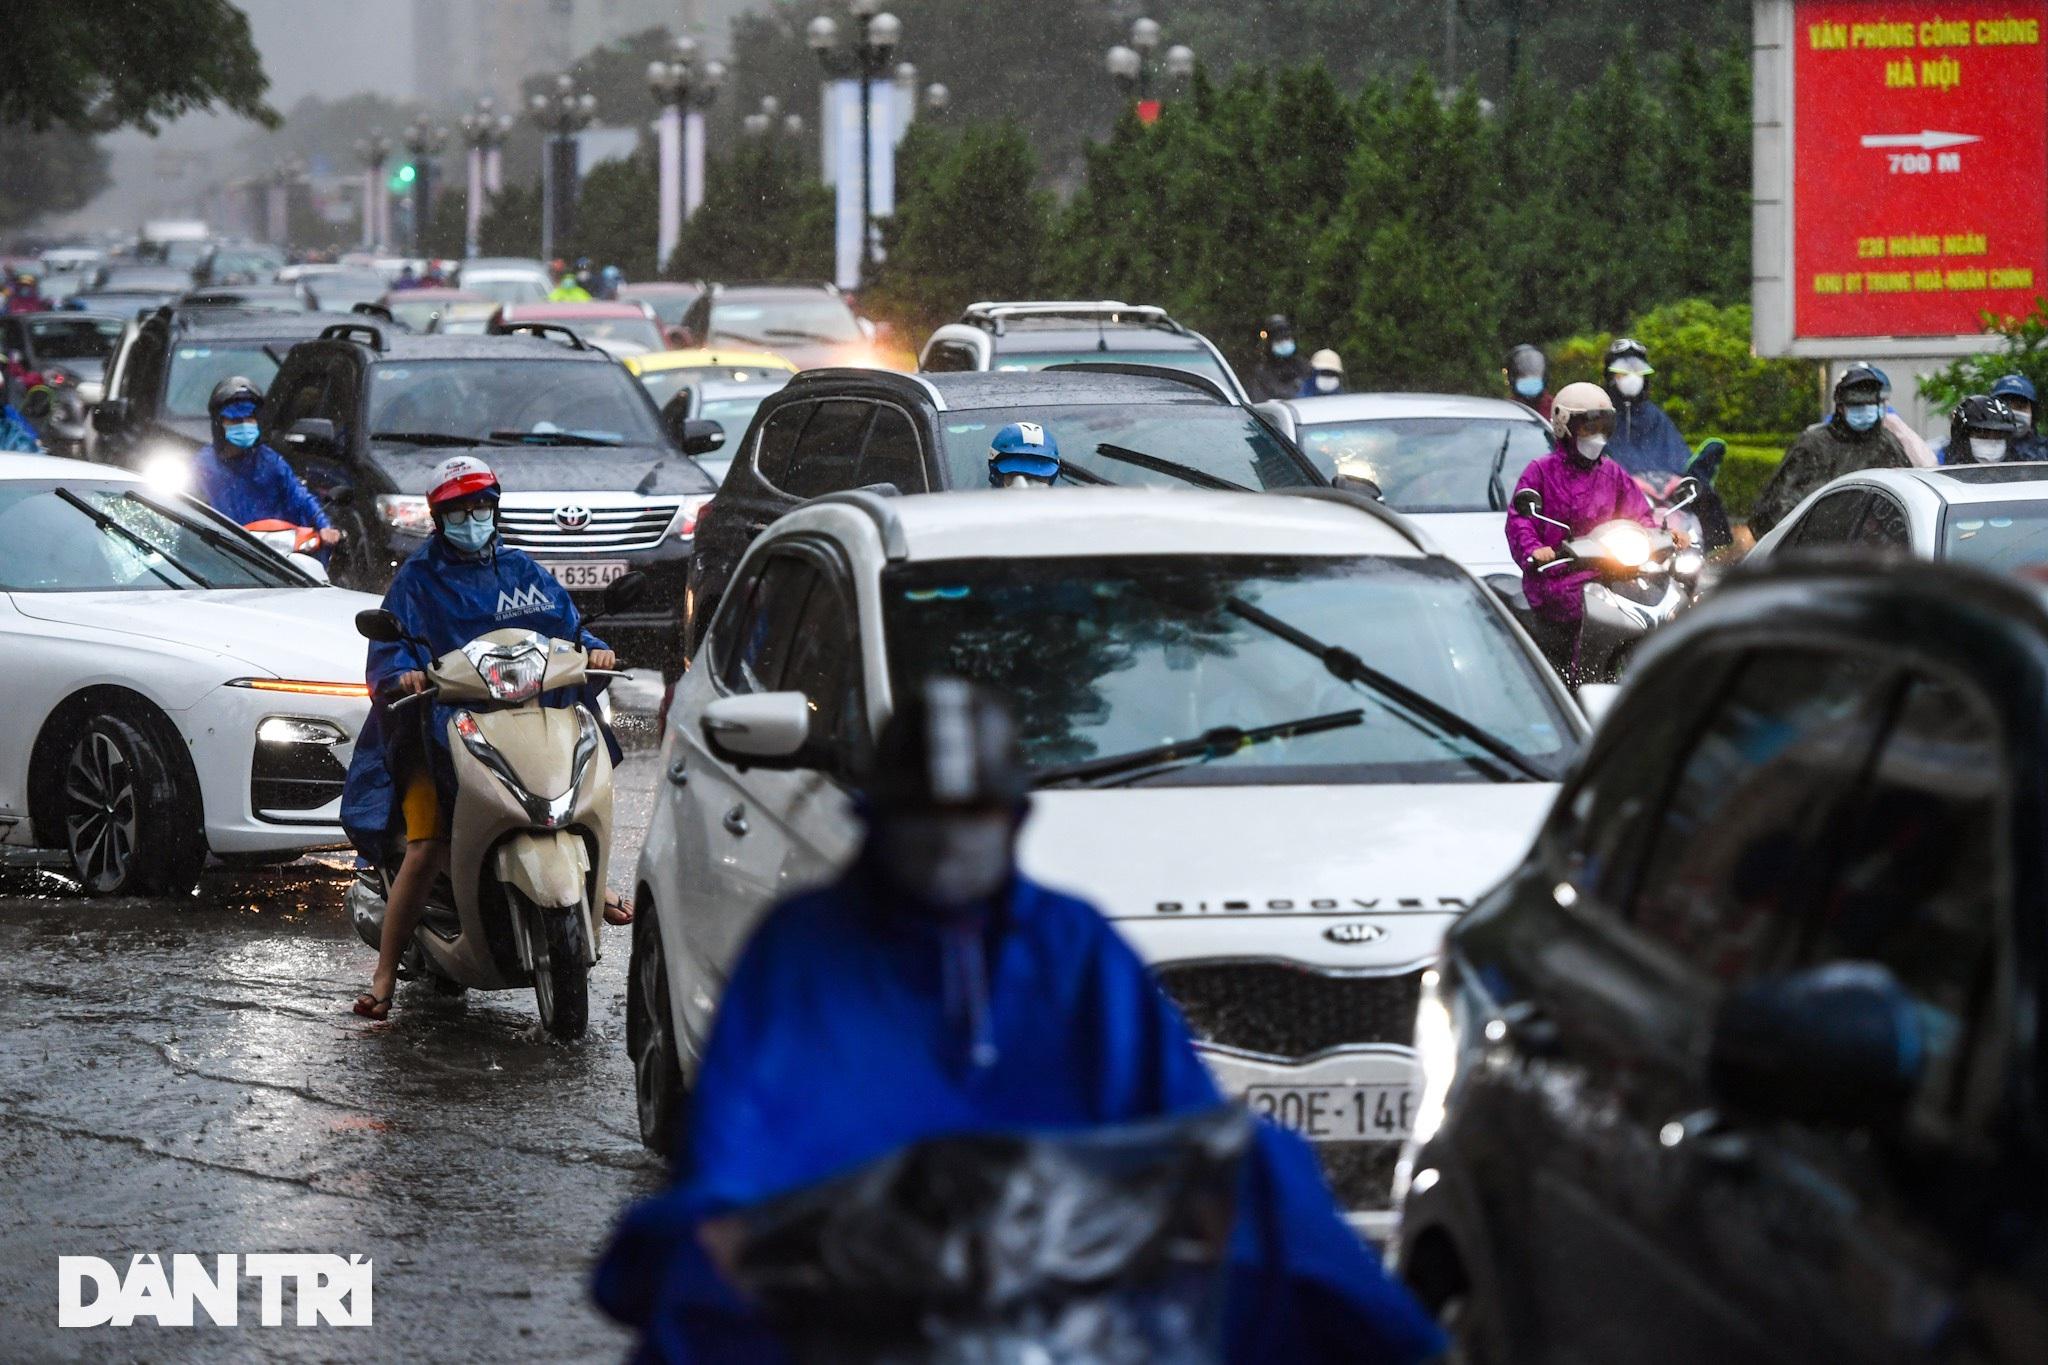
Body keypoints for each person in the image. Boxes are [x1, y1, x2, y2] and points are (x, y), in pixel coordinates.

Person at [591, 679, 1446, 1364]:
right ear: (878, 821)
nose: (949, 845)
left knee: (1270, 1175)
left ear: (1013, 819)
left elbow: (1182, 1122)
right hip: (848, 1287)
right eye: (926, 823)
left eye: (974, 821)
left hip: (1065, 1284)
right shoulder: (806, 949)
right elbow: (741, 1154)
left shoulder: (1071, 942)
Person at [346, 455, 623, 1021]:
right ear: (438, 516)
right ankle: (382, 979)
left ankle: (597, 886)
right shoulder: (418, 581)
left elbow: (565, 626)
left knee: (573, 793)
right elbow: (388, 651)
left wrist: (593, 648)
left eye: (481, 507)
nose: (472, 519)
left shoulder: (522, 570)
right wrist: (405, 671)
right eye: (459, 510)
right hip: (433, 730)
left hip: (520, 719)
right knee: (424, 848)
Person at [1504, 382, 1675, 678]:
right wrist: (1535, 550)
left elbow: (1641, 514)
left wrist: (1662, 535)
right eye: (1587, 428)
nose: (1596, 437)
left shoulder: (1612, 472)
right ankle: (1573, 679)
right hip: (1558, 578)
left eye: (1603, 428)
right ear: (1564, 426)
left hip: (1610, 574)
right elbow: (1520, 519)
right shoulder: (1541, 471)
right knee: (1576, 616)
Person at [1746, 364, 1909, 540]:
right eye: (1856, 405)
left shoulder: (1887, 444)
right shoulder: (1813, 444)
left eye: (1869, 404)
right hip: (1817, 552)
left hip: (1875, 553)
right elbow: (1774, 508)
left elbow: (1907, 497)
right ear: (1840, 407)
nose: (1864, 411)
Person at [190, 376, 340, 548]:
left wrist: (324, 526)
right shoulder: (202, 465)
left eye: (249, 419)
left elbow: (299, 496)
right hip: (223, 553)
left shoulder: (270, 461)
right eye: (236, 420)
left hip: (274, 556)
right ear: (220, 424)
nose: (244, 425)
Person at [1601, 337, 1692, 477]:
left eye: (1637, 370)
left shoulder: (1655, 417)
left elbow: (1681, 461)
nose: (1632, 377)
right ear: (1611, 376)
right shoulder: (1599, 415)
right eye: (1623, 371)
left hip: (1660, 495)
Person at [1943, 394, 2029, 465]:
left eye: (1999, 436)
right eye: (1982, 434)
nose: (1991, 442)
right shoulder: (1940, 464)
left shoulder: (2020, 471)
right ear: (1962, 436)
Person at [1247, 313, 1312, 402]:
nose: (1284, 343)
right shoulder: (1263, 372)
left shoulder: (1304, 366)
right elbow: (1260, 402)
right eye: (1279, 340)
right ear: (1270, 344)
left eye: (1287, 338)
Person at [986, 420, 1064, 487]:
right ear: (997, 477)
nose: (1024, 486)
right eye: (1014, 475)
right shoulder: (979, 503)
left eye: (1038, 477)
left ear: (1051, 479)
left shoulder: (1070, 503)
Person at [1991, 374, 2048, 461]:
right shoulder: (1982, 449)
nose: (2012, 413)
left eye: (2020, 406)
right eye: (2005, 406)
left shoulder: (2045, 449)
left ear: (2033, 412)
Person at [1504, 342, 1550, 420]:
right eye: (1523, 374)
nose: (1529, 377)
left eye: (1535, 371)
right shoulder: (1506, 409)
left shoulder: (1555, 408)